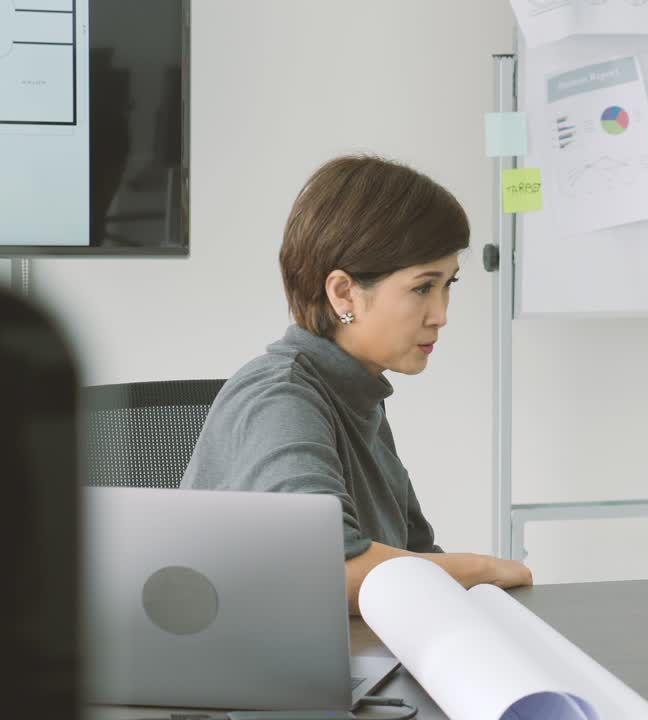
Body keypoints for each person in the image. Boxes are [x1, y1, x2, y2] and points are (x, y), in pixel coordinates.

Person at [182, 155, 532, 611]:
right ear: (344, 292)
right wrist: (486, 569)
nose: (441, 314)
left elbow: (413, 555)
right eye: (423, 287)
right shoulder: (281, 397)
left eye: (449, 285)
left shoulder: (356, 391)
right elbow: (321, 569)